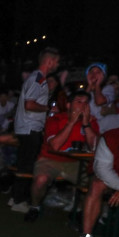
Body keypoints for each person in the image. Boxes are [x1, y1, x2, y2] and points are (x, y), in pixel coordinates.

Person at [23, 91, 99, 222]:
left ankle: (80, 211)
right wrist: (71, 123)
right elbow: (55, 146)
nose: (83, 106)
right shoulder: (55, 120)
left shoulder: (91, 122)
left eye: (86, 103)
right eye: (79, 102)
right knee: (41, 179)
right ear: (69, 105)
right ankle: (34, 207)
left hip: (77, 162)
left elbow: (95, 147)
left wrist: (86, 124)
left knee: (94, 183)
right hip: (50, 160)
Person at [10, 47, 60, 213]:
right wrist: (47, 109)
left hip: (27, 127)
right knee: (27, 165)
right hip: (30, 128)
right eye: (57, 61)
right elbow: (29, 104)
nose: (57, 64)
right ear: (50, 61)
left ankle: (15, 197)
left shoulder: (38, 79)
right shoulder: (38, 79)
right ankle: (19, 200)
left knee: (23, 163)